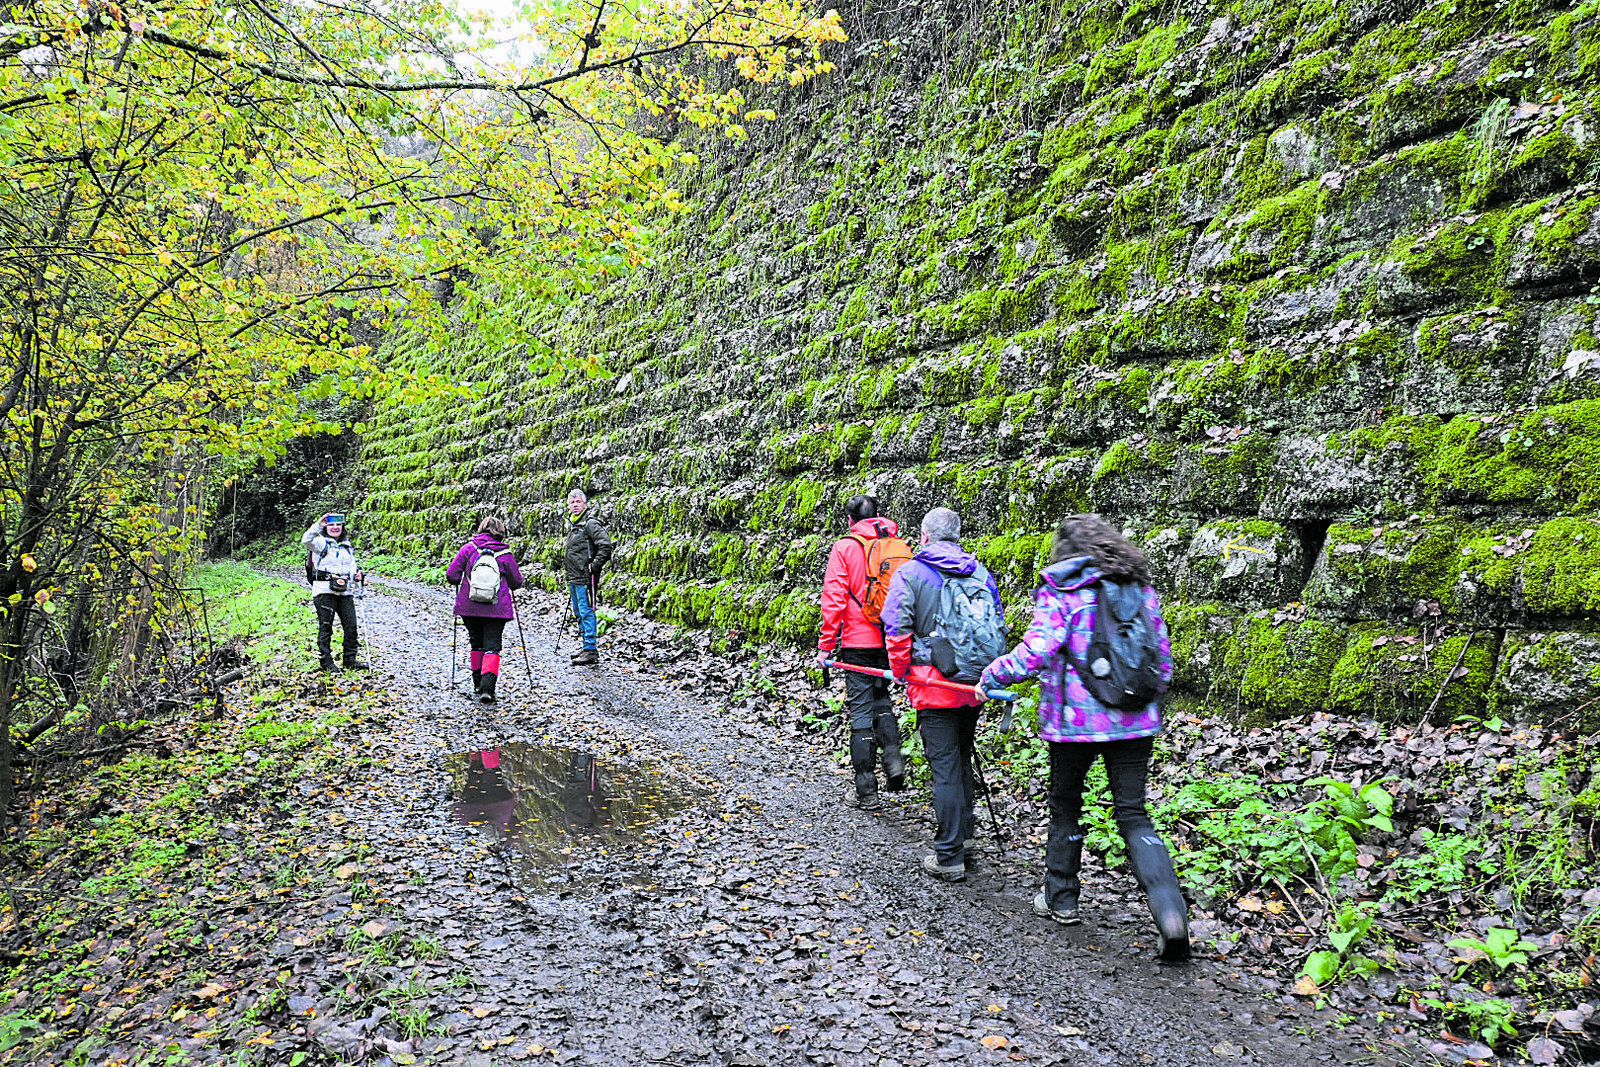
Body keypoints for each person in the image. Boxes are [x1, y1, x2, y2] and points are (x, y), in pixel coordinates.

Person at [978, 513, 1190, 962]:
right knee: (1133, 812)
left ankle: (1062, 899)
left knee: (1066, 805)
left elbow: (1038, 650)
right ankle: (1171, 914)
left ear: (1066, 551)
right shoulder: (1138, 588)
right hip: (1134, 718)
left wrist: (994, 673)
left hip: (1075, 723)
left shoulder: (1063, 589)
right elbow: (1161, 655)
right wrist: (1147, 700)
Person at [883, 507, 1004, 883]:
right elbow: (998, 622)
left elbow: (897, 629)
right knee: (961, 757)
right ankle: (965, 836)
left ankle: (949, 854)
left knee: (946, 767)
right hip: (973, 683)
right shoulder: (980, 573)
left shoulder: (911, 573)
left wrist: (903, 673)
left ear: (924, 535)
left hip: (934, 684)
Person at [815, 494, 907, 810]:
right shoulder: (896, 545)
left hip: (856, 642)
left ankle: (867, 790)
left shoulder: (846, 547)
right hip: (890, 638)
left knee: (861, 713)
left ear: (851, 521)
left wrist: (826, 646)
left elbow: (834, 599)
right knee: (883, 700)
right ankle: (894, 760)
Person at [445, 516, 526, 706]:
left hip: (469, 607)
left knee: (476, 643)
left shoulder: (468, 549)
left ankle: (477, 684)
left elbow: (451, 575)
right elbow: (517, 582)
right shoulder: (505, 554)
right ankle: (488, 688)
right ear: (501, 532)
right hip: (496, 609)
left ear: (481, 529)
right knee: (492, 646)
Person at [302, 512, 366, 672]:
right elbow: (306, 540)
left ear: (343, 527)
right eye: (331, 525)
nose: (335, 527)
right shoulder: (319, 542)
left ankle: (350, 660)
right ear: (326, 527)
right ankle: (326, 662)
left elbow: (352, 567)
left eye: (338, 525)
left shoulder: (347, 546)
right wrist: (319, 524)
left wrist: (356, 576)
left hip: (345, 592)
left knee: (351, 626)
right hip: (324, 592)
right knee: (326, 627)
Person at [563, 489, 613, 666]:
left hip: (586, 577)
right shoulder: (573, 524)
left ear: (585, 504)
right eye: (572, 502)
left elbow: (605, 546)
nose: (575, 505)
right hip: (574, 576)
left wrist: (594, 566)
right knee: (578, 612)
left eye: (578, 502)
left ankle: (591, 649)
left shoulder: (590, 524)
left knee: (586, 611)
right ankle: (586, 647)